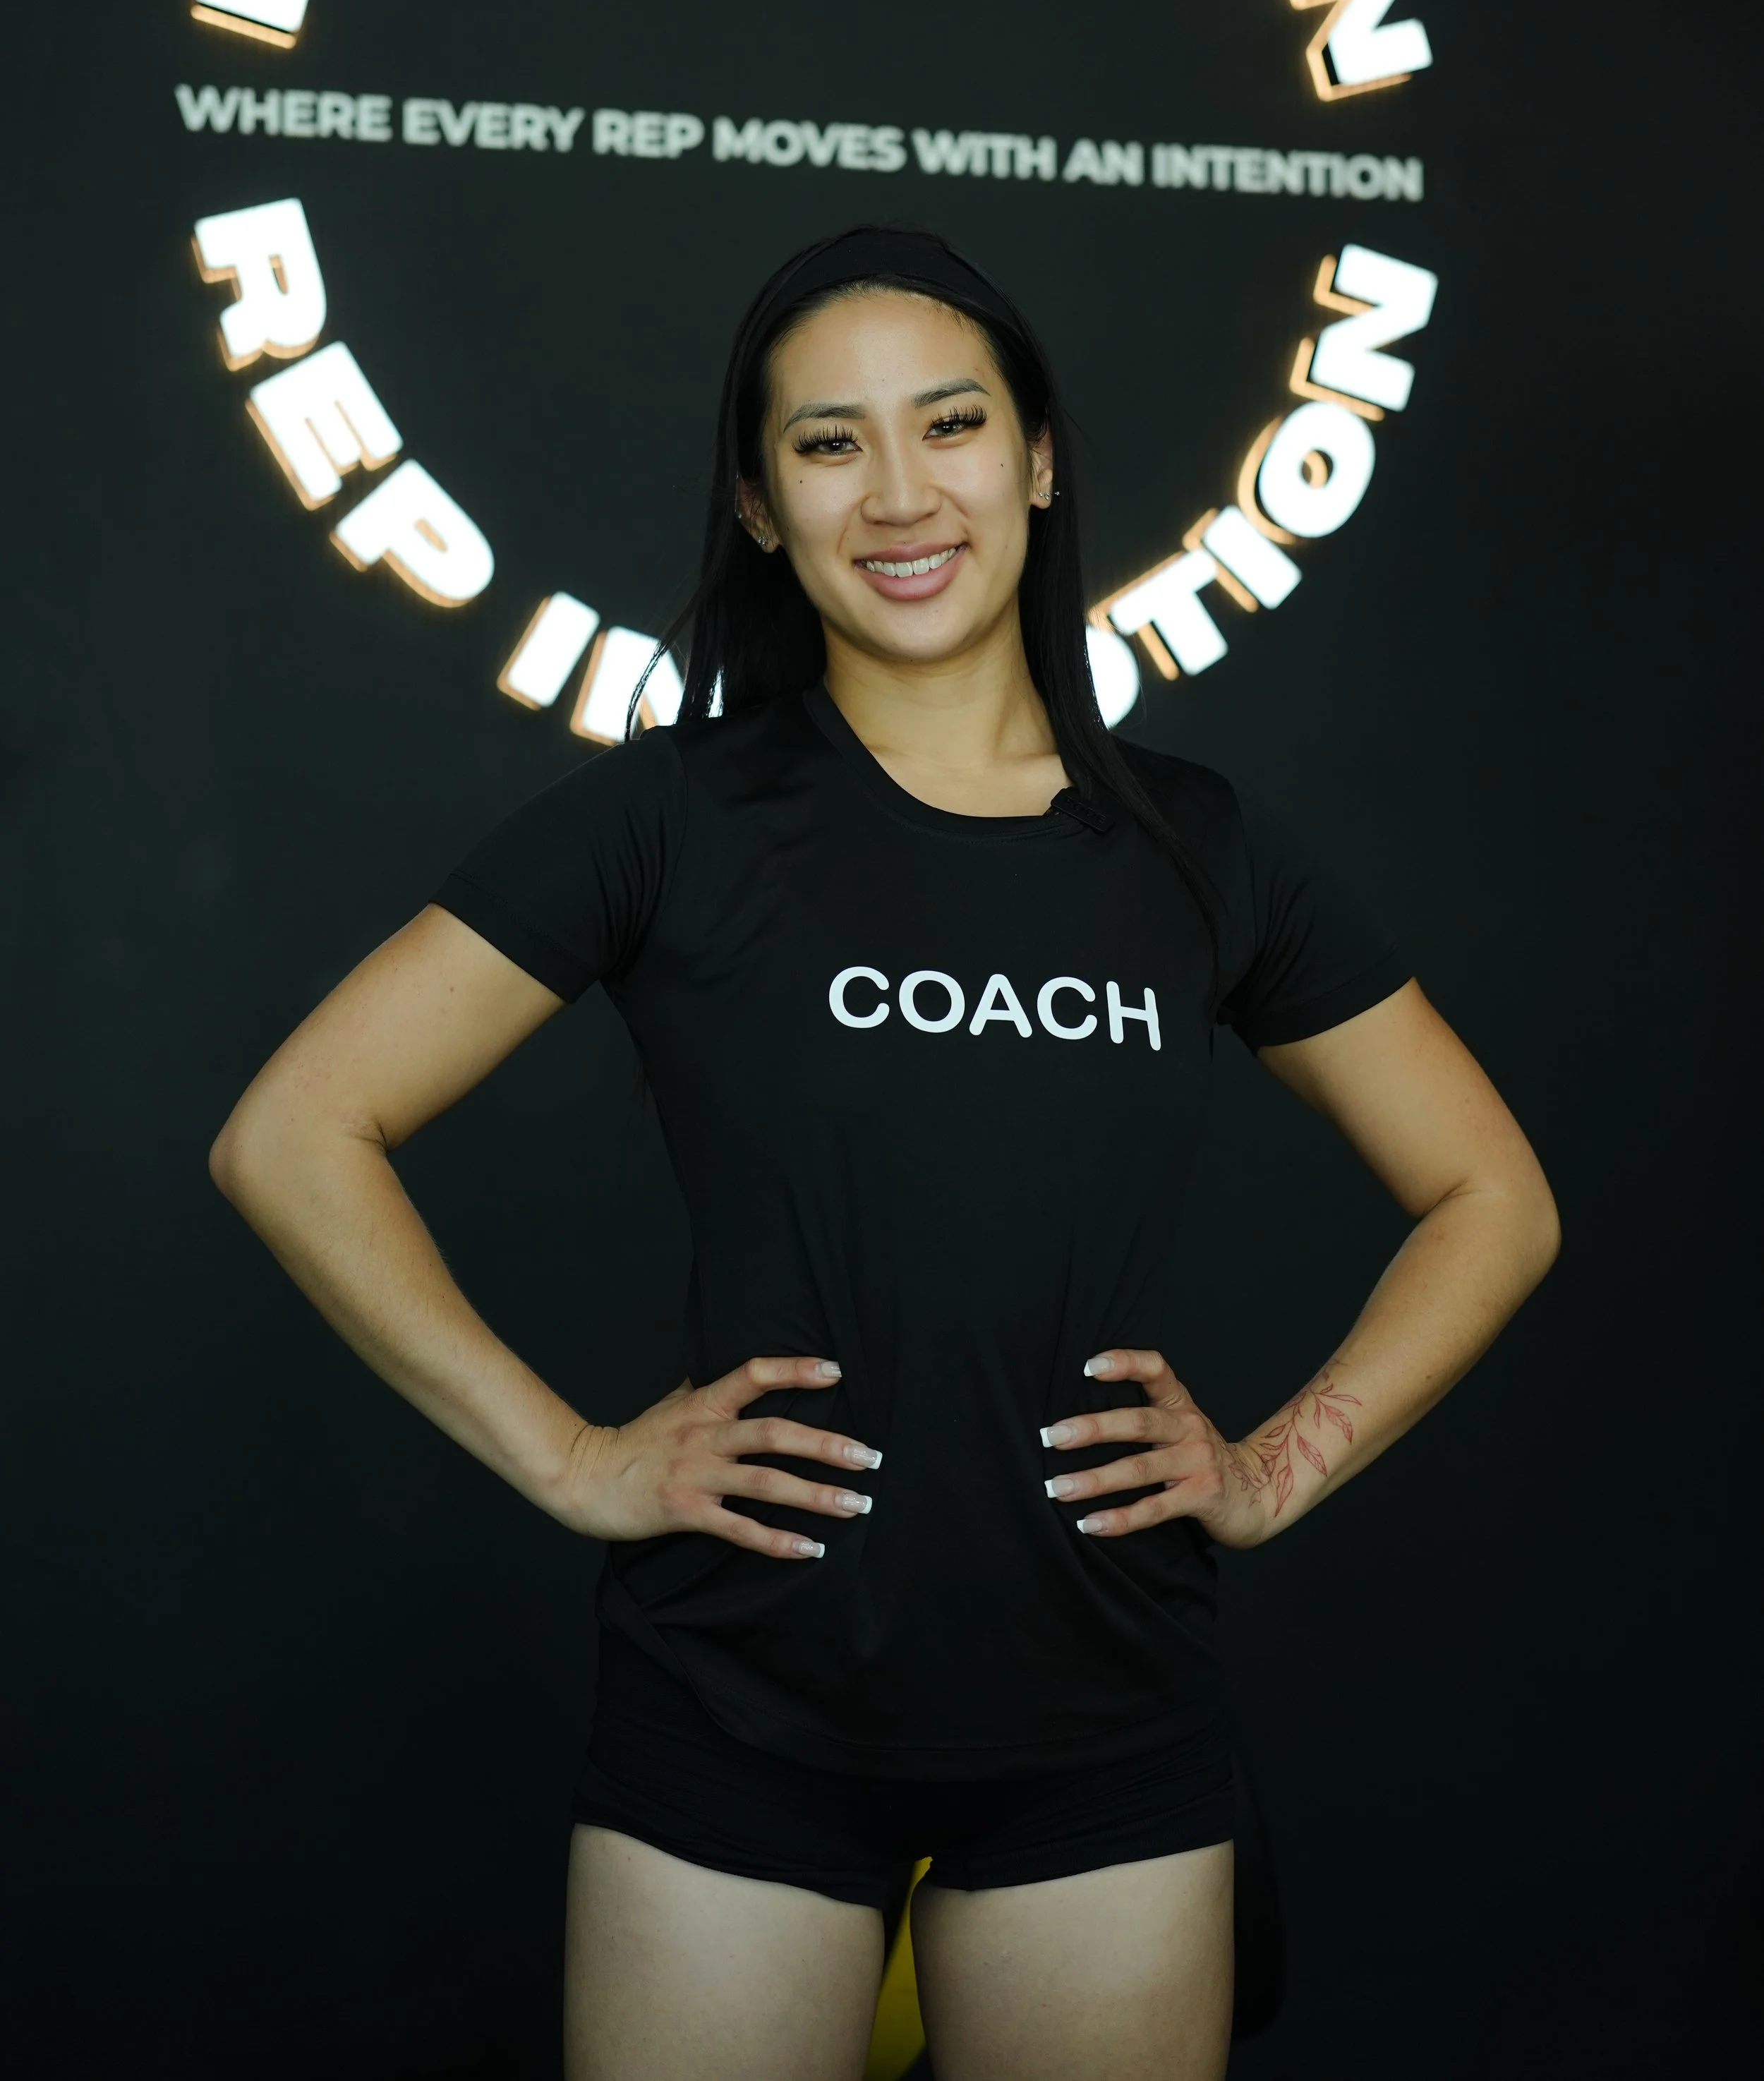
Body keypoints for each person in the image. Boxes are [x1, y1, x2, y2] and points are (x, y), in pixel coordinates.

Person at [210, 227, 1559, 2081]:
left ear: (1038, 457)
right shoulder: (672, 818)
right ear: (759, 503)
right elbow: (293, 1132)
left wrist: (1271, 1466)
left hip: (1104, 1731)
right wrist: (572, 1456)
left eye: (950, 423)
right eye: (829, 443)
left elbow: (1493, 1197)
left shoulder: (1195, 849)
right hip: (734, 1724)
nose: (901, 492)